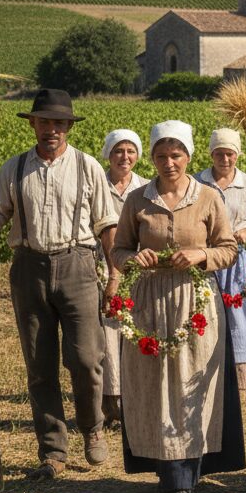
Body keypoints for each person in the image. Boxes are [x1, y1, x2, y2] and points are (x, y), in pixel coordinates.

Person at [0, 89, 117, 480]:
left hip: (78, 265)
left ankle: (92, 427)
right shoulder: (14, 169)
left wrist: (115, 273)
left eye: (59, 123)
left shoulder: (88, 167)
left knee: (86, 359)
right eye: (45, 122)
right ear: (33, 124)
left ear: (68, 127)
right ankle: (52, 451)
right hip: (29, 268)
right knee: (39, 365)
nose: (52, 130)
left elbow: (106, 225)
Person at [111, 121, 244, 493]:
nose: (169, 163)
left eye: (176, 155)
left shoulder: (208, 198)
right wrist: (134, 258)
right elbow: (118, 250)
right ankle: (166, 470)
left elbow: (229, 248)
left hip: (195, 301)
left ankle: (185, 477)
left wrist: (201, 255)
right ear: (151, 159)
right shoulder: (137, 200)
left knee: (190, 383)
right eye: (161, 156)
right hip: (149, 301)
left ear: (188, 157)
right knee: (155, 383)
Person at [196, 128, 246, 394]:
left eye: (230, 154)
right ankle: (207, 378)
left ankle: (241, 382)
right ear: (211, 154)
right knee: (207, 314)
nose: (225, 159)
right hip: (207, 258)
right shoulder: (198, 182)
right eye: (219, 154)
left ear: (237, 155)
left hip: (239, 261)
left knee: (241, 318)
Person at [97, 128, 149, 428]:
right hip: (101, 268)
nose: (124, 157)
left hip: (137, 269)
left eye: (130, 151)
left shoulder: (145, 188)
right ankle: (111, 406)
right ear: (109, 154)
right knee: (107, 339)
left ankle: (135, 403)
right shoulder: (97, 184)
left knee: (133, 334)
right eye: (118, 151)